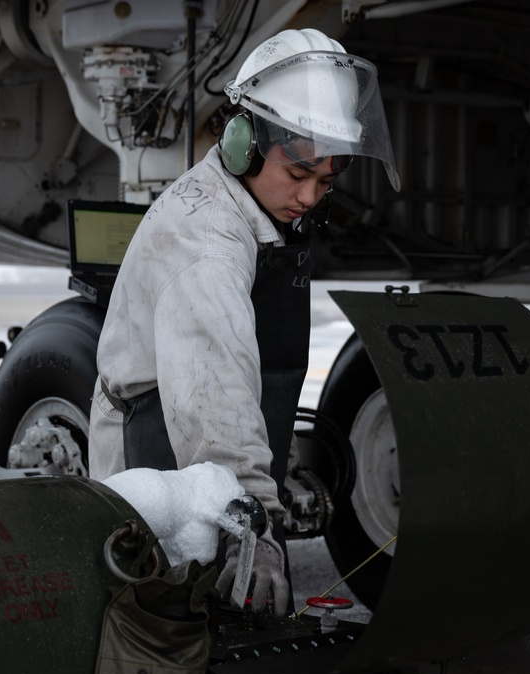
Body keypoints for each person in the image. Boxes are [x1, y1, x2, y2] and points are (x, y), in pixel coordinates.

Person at [88, 27, 400, 614]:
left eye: (325, 182)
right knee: (157, 621)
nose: (309, 198)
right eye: (299, 173)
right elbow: (214, 389)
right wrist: (251, 523)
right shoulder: (205, 241)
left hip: (216, 446)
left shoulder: (266, 208)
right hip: (158, 445)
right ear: (242, 142)